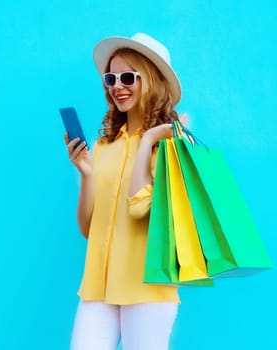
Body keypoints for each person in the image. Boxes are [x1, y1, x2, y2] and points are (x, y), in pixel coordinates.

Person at [65, 33, 183, 350]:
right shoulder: (104, 146)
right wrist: (88, 174)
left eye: (128, 76)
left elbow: (140, 209)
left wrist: (147, 142)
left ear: (152, 81)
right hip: (97, 288)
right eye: (111, 77)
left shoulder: (172, 145)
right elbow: (88, 228)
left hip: (147, 288)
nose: (117, 86)